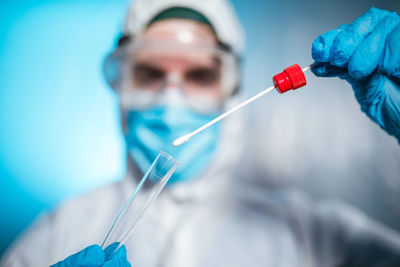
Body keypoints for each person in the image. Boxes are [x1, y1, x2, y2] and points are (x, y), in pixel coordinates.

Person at [1, 0, 400, 266]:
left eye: (200, 73)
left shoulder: (317, 237)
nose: (171, 95)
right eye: (150, 71)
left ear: (232, 90)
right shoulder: (57, 236)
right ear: (122, 86)